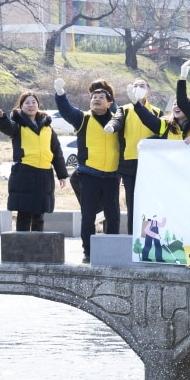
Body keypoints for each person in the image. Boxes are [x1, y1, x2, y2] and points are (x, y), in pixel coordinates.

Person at [54, 78, 121, 264]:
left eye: (101, 97)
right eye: (94, 97)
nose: (97, 99)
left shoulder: (118, 119)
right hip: (89, 175)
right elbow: (66, 110)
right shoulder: (83, 119)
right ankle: (88, 252)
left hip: (111, 177)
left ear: (109, 103)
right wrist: (60, 94)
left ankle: (112, 251)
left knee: (113, 216)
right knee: (88, 217)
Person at [0, 92, 69, 232]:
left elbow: (56, 150)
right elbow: (7, 127)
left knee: (39, 215)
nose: (31, 105)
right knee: (24, 214)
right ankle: (22, 249)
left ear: (38, 105)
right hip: (24, 174)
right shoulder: (17, 124)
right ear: (21, 106)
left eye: (33, 102)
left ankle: (38, 250)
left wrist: (62, 174)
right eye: (27, 102)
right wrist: (1, 117)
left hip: (44, 174)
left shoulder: (47, 126)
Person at [106, 78, 163, 235]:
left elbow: (162, 132)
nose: (138, 88)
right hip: (129, 162)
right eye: (135, 86)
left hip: (150, 163)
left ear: (149, 92)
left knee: (150, 201)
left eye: (142, 86)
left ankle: (148, 237)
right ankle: (133, 237)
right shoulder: (124, 109)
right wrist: (112, 126)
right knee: (132, 201)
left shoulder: (157, 112)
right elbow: (117, 120)